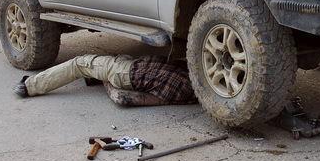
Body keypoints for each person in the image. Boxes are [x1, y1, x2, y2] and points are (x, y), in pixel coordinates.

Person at [15, 54, 197, 106]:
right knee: (114, 58)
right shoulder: (190, 85)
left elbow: (123, 99)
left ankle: (30, 86)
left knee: (78, 63)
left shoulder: (181, 91)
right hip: (129, 66)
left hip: (122, 73)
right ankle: (95, 74)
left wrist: (109, 85)